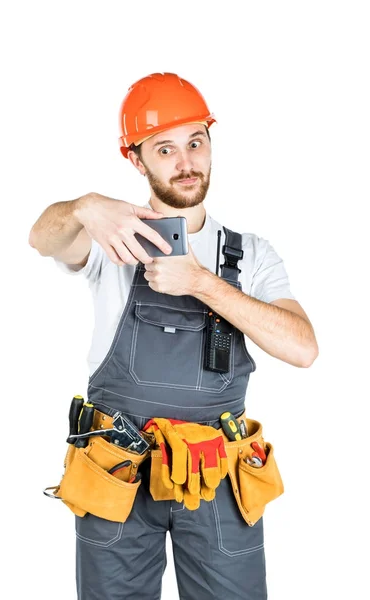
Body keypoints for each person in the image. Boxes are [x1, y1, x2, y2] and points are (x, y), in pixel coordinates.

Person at [29, 72, 319, 600]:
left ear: (210, 144)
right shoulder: (112, 242)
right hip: (118, 470)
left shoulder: (250, 254)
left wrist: (202, 284)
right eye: (165, 148)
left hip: (217, 475)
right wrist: (85, 207)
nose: (186, 162)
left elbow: (303, 348)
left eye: (195, 143)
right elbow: (41, 238)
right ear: (136, 160)